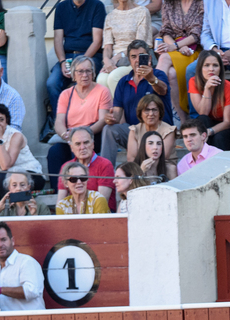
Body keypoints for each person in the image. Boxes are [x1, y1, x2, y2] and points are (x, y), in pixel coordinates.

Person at [101, 41, 169, 164]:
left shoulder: (158, 74)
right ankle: (106, 176)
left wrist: (151, 79)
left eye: (141, 56)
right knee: (108, 129)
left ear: (148, 58)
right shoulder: (123, 82)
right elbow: (116, 114)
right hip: (134, 133)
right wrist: (110, 118)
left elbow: (163, 90)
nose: (137, 60)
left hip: (158, 132)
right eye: (133, 57)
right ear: (129, 60)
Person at [48, 55, 111, 185]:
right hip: (70, 137)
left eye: (88, 71)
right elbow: (59, 122)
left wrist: (82, 134)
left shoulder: (102, 91)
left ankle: (80, 189)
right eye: (80, 71)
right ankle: (58, 193)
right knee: (54, 153)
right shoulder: (66, 94)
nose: (85, 75)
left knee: (79, 147)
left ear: (93, 73)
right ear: (73, 75)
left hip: (93, 135)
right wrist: (64, 134)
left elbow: (102, 120)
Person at [47, 0, 107, 128]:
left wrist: (81, 63)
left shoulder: (97, 6)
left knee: (82, 80)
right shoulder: (61, 7)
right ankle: (59, 123)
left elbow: (97, 41)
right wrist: (62, 61)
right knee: (52, 83)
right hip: (67, 56)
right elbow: (58, 39)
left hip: (90, 56)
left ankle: (85, 123)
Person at [156, 0, 204, 124]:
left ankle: (153, 97)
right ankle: (183, 121)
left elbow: (197, 34)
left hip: (194, 49)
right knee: (171, 74)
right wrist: (176, 46)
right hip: (175, 46)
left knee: (163, 58)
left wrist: (177, 46)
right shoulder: (169, 3)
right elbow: (165, 31)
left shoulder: (201, 3)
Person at [0, 103, 46, 195]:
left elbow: (6, 166)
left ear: (6, 121)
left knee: (3, 177)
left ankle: (12, 208)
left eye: (1, 119)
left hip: (30, 175)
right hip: (6, 179)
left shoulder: (16, 136)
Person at [0, 221, 44, 310]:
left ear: (12, 241)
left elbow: (31, 291)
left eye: (3, 239)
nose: (0, 245)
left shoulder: (27, 262)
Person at [187, 48, 230, 151]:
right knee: (202, 120)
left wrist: (210, 131)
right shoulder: (193, 82)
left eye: (215, 65)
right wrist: (207, 89)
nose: (211, 69)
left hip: (225, 127)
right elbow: (202, 112)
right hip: (208, 122)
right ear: (200, 68)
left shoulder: (228, 87)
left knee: (219, 137)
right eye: (207, 65)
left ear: (220, 68)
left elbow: (228, 122)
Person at [56, 126, 115, 204]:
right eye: (78, 144)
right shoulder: (66, 167)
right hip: (75, 213)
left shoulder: (105, 165)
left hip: (99, 213)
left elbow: (101, 202)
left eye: (86, 142)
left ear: (93, 144)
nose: (82, 147)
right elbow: (61, 202)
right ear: (71, 147)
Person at [99, 0, 153, 83]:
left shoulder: (142, 12)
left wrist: (117, 57)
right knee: (101, 80)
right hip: (114, 60)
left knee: (113, 77)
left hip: (134, 58)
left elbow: (139, 44)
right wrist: (106, 61)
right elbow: (107, 46)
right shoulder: (110, 16)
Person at [127, 93, 177, 161]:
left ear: (160, 112)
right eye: (147, 110)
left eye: (154, 110)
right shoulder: (134, 130)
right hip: (139, 167)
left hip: (164, 166)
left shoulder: (169, 130)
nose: (151, 114)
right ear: (140, 113)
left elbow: (162, 157)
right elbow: (131, 158)